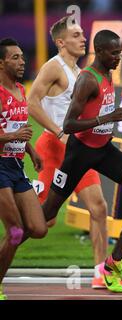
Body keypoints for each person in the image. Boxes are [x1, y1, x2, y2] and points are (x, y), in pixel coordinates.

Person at [40, 30, 122, 294]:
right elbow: (69, 125)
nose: (119, 57)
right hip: (79, 154)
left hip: (104, 151)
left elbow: (100, 109)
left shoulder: (108, 70)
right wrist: (108, 118)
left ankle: (113, 263)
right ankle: (12, 240)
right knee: (46, 216)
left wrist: (108, 120)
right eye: (114, 53)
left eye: (120, 52)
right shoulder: (87, 81)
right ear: (100, 52)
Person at [27, 16, 110, 289]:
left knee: (99, 208)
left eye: (82, 34)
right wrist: (58, 130)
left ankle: (101, 273)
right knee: (42, 223)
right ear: (61, 42)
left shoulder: (80, 71)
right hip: (53, 149)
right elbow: (31, 103)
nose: (83, 38)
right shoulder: (54, 67)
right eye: (76, 35)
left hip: (79, 151)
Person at [0, 38, 48, 300]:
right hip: (0, 166)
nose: (22, 61)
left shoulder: (20, 89)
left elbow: (17, 129)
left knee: (37, 229)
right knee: (15, 231)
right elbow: (10, 133)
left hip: (16, 166)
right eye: (15, 58)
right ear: (1, 63)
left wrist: (30, 149)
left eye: (22, 57)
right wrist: (12, 137)